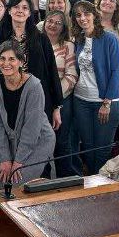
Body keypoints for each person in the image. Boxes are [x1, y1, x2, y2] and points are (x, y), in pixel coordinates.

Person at [0, 0, 63, 129]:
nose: (20, 10)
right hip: (7, 96)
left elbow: (52, 71)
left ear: (29, 13)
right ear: (9, 10)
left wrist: (56, 107)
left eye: (25, 8)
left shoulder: (41, 38)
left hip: (37, 96)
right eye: (16, 7)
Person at [0, 41, 56, 184]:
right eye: (2, 58)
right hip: (10, 142)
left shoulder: (34, 86)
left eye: (12, 59)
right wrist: (5, 158)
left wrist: (18, 161)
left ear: (21, 61)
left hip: (38, 141)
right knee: (0, 181)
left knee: (16, 182)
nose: (6, 63)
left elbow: (32, 130)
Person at [70, 0, 119, 173]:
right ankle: (91, 186)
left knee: (101, 151)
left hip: (106, 102)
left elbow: (116, 71)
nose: (82, 18)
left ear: (95, 15)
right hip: (81, 101)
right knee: (87, 148)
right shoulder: (78, 40)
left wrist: (106, 103)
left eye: (86, 13)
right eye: (78, 15)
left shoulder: (109, 39)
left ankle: (100, 189)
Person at [42, 11, 78, 177]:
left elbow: (71, 75)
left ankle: (65, 180)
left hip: (62, 100)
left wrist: (54, 98)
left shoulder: (68, 45)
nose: (52, 25)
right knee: (42, 142)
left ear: (63, 27)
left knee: (62, 142)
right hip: (40, 101)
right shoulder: (37, 42)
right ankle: (43, 180)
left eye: (58, 23)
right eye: (50, 21)